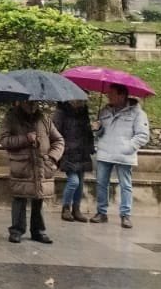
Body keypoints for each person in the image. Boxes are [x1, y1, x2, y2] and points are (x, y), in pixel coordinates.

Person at [1, 98, 64, 245]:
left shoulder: (44, 119)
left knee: (39, 198)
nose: (33, 105)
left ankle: (38, 231)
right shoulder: (11, 118)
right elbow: (4, 140)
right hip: (21, 166)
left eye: (35, 102)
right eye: (29, 102)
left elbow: (59, 140)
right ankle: (17, 230)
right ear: (21, 102)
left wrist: (52, 157)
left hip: (41, 165)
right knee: (19, 198)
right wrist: (25, 139)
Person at [92, 83, 150, 228]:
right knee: (101, 183)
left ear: (121, 95)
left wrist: (128, 147)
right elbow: (100, 133)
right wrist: (97, 129)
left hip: (124, 155)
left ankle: (125, 215)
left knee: (125, 185)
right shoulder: (104, 111)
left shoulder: (137, 113)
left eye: (111, 93)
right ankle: (101, 212)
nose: (108, 96)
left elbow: (143, 135)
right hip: (105, 152)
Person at [55, 99, 95, 222]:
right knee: (74, 181)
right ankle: (66, 208)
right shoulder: (61, 111)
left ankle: (76, 209)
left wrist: (92, 129)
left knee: (80, 183)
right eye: (81, 99)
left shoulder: (83, 112)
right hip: (68, 152)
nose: (83, 101)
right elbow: (55, 132)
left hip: (82, 151)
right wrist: (59, 150)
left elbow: (87, 132)